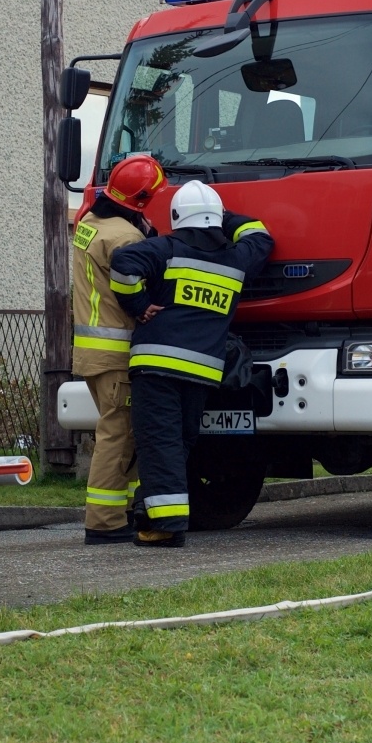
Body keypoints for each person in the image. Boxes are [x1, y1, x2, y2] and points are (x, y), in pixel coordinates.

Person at [109, 180, 273, 547]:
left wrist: (138, 306)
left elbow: (123, 263)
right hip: (202, 372)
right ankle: (155, 514)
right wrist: (225, 218)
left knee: (158, 442)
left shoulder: (166, 249)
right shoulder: (236, 258)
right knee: (179, 442)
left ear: (177, 218)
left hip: (156, 366)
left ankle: (167, 528)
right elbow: (260, 236)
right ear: (214, 219)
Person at [71, 154, 166, 544]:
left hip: (93, 352)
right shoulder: (125, 237)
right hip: (116, 351)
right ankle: (105, 522)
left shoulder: (91, 224)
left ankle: (121, 512)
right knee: (119, 434)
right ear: (140, 200)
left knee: (118, 433)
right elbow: (143, 282)